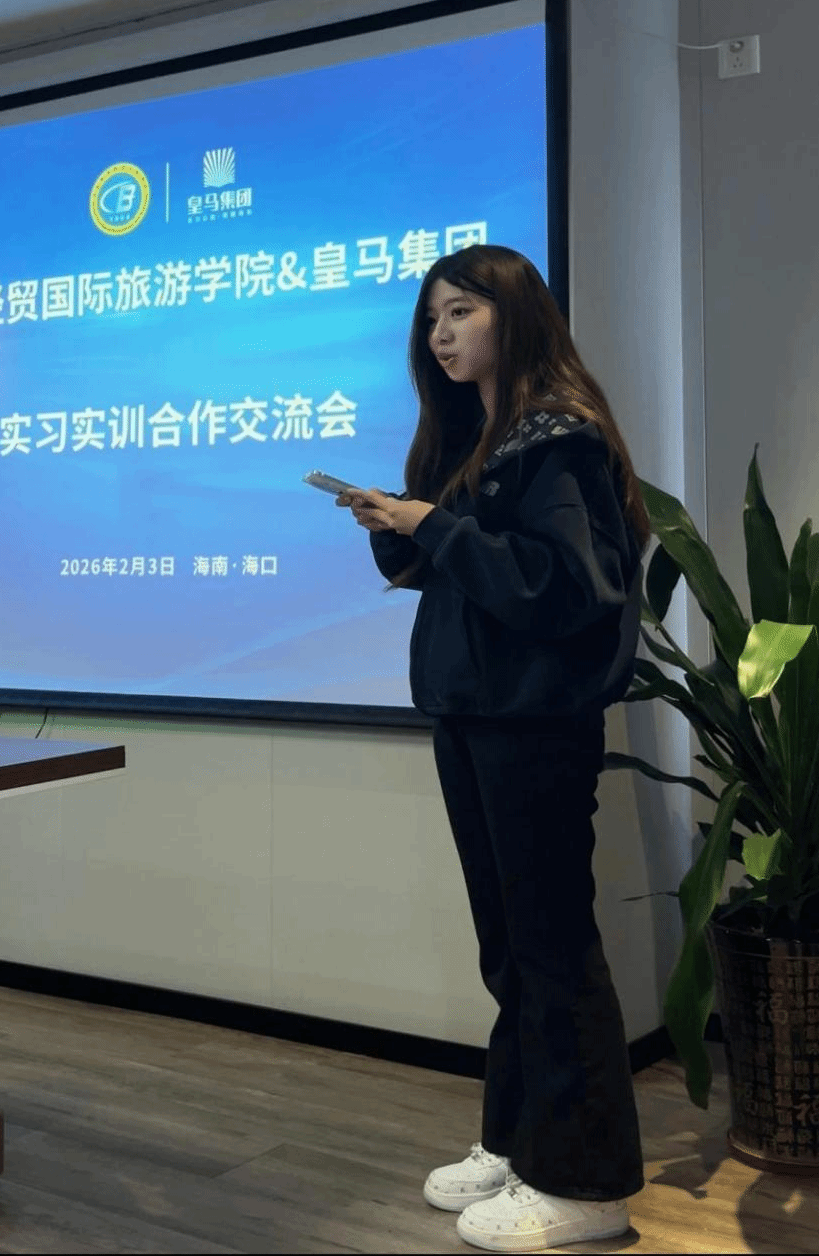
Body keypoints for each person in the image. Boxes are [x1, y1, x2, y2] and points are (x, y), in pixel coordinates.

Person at [335, 244, 649, 1253]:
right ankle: (521, 1141)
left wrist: (438, 524)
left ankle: (588, 1185)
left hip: (534, 725)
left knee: (552, 948)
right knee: (511, 949)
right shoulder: (480, 438)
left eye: (461, 311)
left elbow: (564, 588)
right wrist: (402, 526)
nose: (441, 333)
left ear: (516, 315)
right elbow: (469, 576)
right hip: (476, 717)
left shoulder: (558, 437)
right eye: (432, 317)